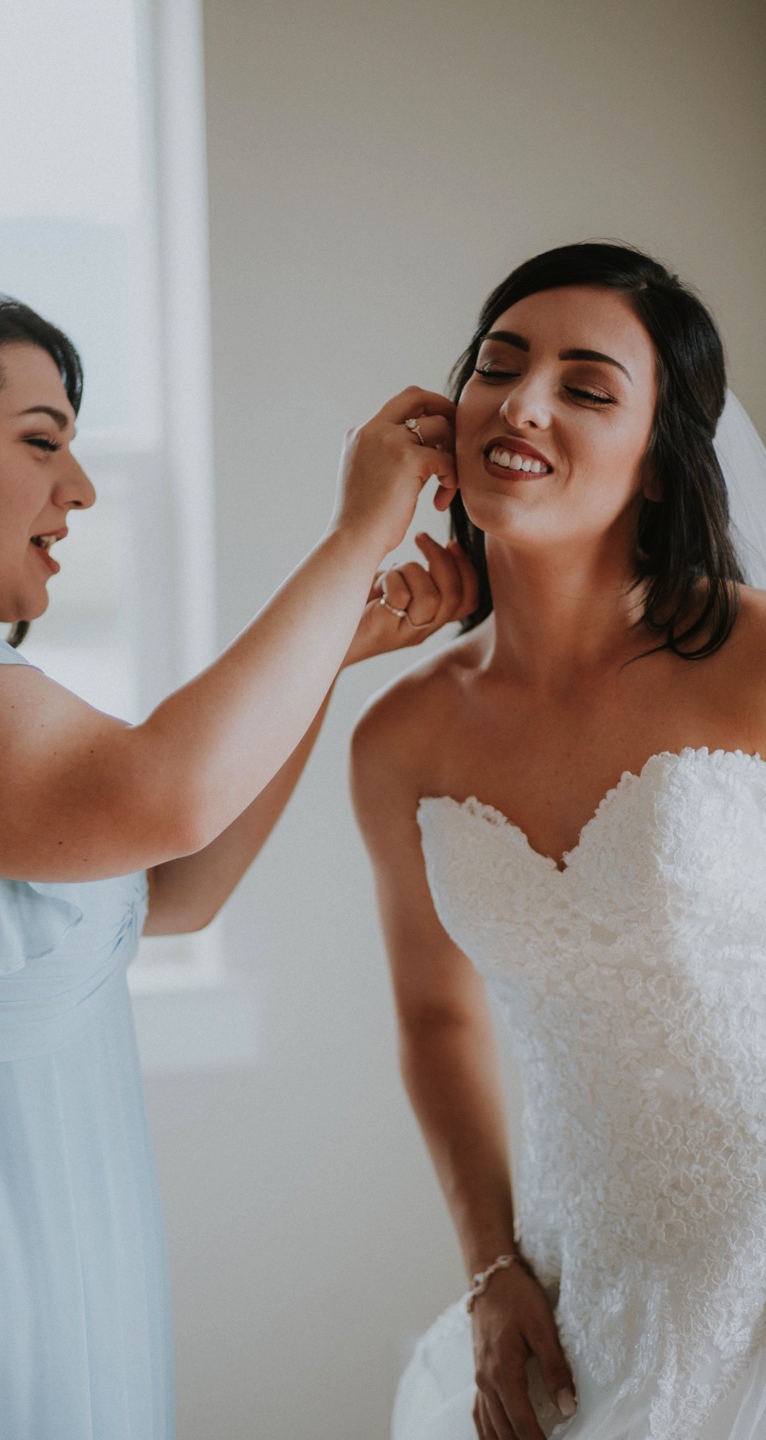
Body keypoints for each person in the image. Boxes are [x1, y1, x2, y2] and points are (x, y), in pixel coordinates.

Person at [0, 282, 476, 1440]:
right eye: (40, 443)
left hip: (58, 1237)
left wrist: (336, 649)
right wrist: (356, 533)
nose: (80, 489)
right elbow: (159, 795)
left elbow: (181, 888)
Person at [351, 242, 766, 1440]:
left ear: (656, 460)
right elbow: (435, 1020)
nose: (522, 403)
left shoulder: (754, 663)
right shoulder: (402, 736)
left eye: (587, 387)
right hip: (580, 1287)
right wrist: (492, 1272)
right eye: (498, 367)